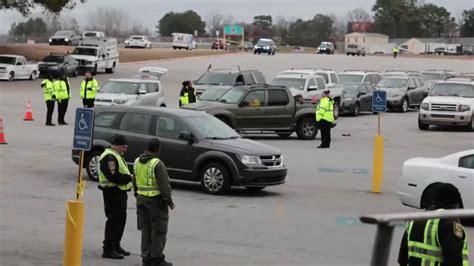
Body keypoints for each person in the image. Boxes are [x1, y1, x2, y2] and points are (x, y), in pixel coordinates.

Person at [398, 183, 469, 266]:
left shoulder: (414, 221)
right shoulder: (450, 224)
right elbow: (453, 261)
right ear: (454, 204)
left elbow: (402, 259)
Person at [133, 139, 175, 266]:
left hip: (141, 200)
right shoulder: (157, 164)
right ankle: (156, 259)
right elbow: (164, 186)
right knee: (158, 230)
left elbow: (134, 181)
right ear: (159, 149)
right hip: (156, 202)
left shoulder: (137, 161)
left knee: (145, 229)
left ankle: (146, 258)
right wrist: (169, 202)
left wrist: (138, 195)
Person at [98, 135, 133, 260]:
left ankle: (115, 245)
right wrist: (129, 178)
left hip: (119, 192)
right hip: (112, 192)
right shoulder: (109, 157)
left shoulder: (116, 155)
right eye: (123, 147)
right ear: (117, 145)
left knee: (121, 220)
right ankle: (108, 249)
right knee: (113, 220)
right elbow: (113, 176)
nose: (125, 150)